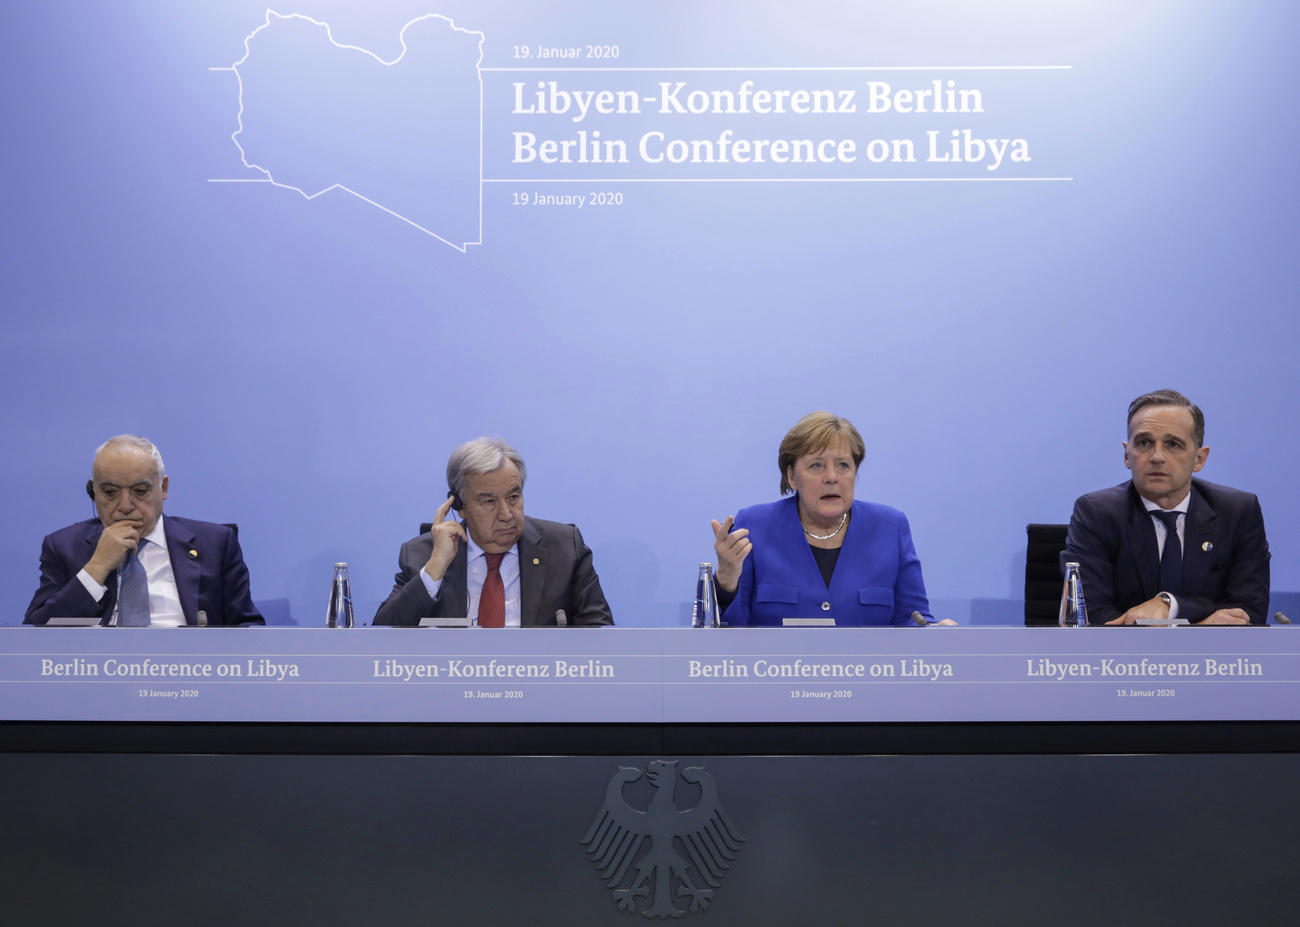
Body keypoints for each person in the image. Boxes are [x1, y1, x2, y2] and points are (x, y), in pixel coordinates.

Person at [711, 411, 951, 627]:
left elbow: (913, 619)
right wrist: (727, 579)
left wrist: (933, 632)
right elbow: (731, 629)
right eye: (816, 465)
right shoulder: (756, 526)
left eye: (843, 465)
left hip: (868, 672)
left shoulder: (890, 528)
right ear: (792, 476)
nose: (832, 477)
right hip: (777, 672)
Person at [1063, 389, 1270, 626]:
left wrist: (1168, 605)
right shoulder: (1096, 513)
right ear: (1127, 455)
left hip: (1212, 662)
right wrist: (1197, 626)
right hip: (1121, 661)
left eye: (1173, 444)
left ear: (1199, 458)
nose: (1157, 457)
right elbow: (1090, 616)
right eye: (1144, 443)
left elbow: (1249, 612)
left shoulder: (1238, 512)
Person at [24, 435, 263, 626]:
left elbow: (247, 629)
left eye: (140, 491)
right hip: (98, 673)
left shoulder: (215, 544)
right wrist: (96, 567)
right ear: (93, 492)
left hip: (187, 672)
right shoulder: (64, 547)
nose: (126, 506)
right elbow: (38, 637)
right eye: (110, 492)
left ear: (164, 488)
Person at [373, 437, 613, 627]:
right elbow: (380, 645)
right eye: (488, 502)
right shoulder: (423, 554)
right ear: (460, 506)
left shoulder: (564, 549)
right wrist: (435, 567)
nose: (506, 514)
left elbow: (602, 643)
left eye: (513, 497)